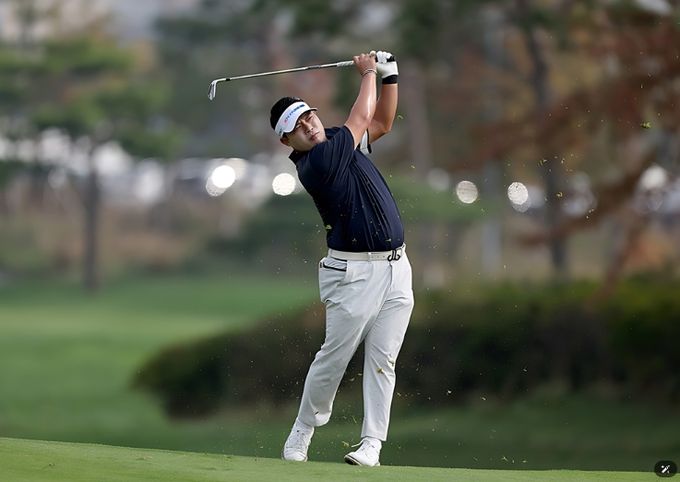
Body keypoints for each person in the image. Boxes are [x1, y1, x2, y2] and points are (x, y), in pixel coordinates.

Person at [270, 50, 414, 467]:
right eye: (296, 127)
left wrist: (390, 75)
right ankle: (303, 428)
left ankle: (372, 445)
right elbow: (361, 116)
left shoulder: (336, 139)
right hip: (353, 274)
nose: (307, 126)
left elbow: (380, 123)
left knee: (383, 361)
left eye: (308, 117)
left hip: (396, 269)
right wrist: (368, 72)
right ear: (287, 142)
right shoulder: (315, 163)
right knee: (334, 358)